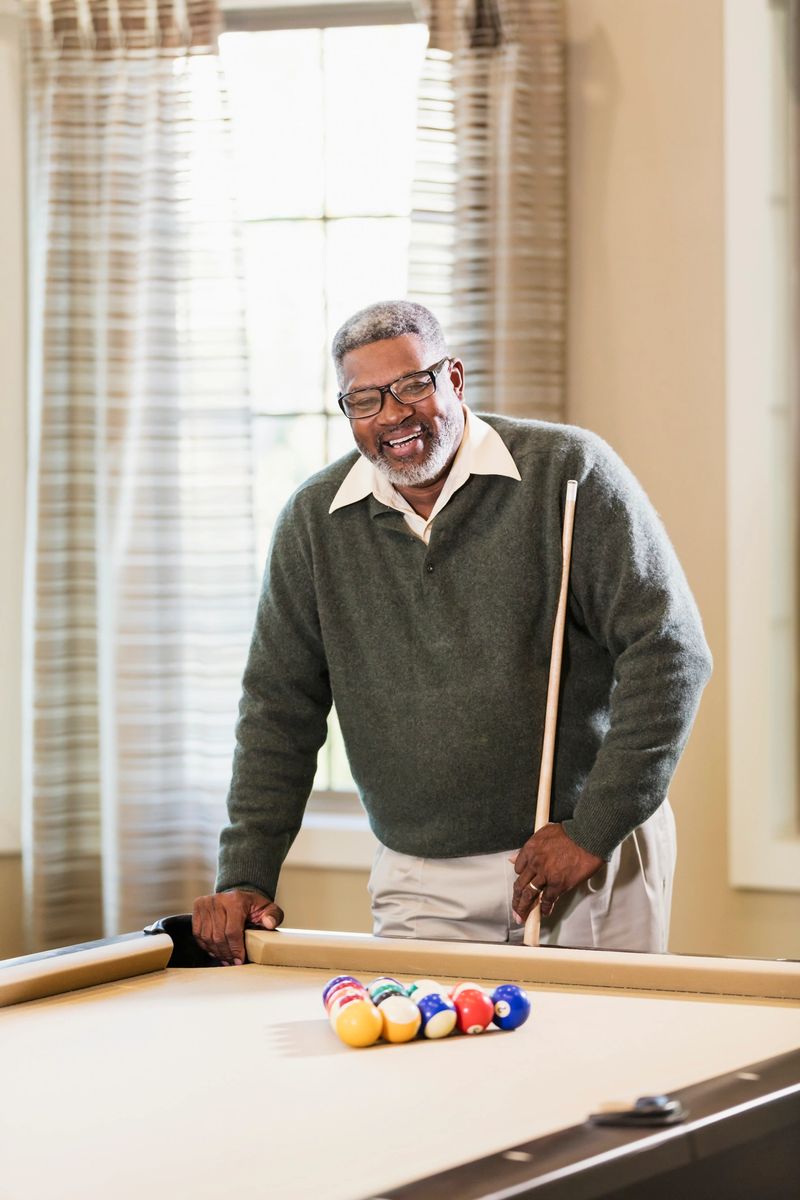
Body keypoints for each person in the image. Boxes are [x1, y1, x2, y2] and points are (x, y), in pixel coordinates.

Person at [192, 300, 712, 965]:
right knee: (429, 1066)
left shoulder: (569, 471)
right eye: (365, 400)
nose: (394, 415)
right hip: (422, 874)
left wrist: (593, 829)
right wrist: (245, 874)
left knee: (606, 1063)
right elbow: (277, 712)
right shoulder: (313, 524)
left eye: (413, 384)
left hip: (586, 856)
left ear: (455, 380)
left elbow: (670, 654)